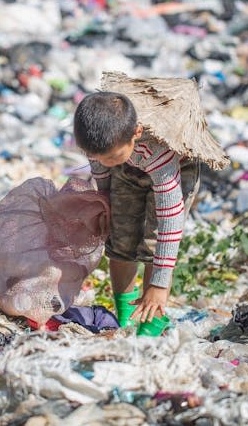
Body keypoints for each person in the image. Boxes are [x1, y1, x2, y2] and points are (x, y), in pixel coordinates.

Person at [73, 91, 201, 329]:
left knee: (153, 245)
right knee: (120, 240)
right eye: (97, 156)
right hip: (128, 167)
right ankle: (125, 316)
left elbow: (169, 223)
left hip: (175, 171)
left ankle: (152, 322)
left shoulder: (158, 150)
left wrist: (159, 285)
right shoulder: (102, 145)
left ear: (136, 133)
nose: (105, 161)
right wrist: (106, 205)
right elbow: (103, 175)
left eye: (110, 156)